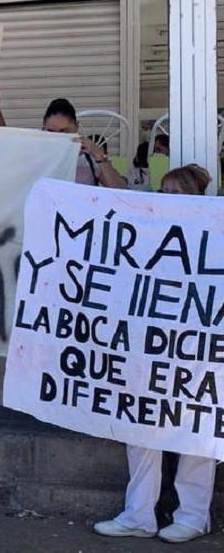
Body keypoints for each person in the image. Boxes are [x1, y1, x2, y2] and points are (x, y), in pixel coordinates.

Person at [94, 164, 215, 544]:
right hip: (151, 349)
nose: (165, 201)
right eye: (162, 193)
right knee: (140, 429)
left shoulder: (216, 235)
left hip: (198, 354)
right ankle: (139, 515)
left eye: (175, 194)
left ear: (198, 200)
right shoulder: (147, 232)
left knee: (196, 433)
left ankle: (194, 516)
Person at [0, 87, 127, 189]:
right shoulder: (36, 151)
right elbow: (5, 144)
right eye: (52, 131)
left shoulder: (89, 157)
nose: (59, 137)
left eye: (65, 131)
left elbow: (121, 192)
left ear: (76, 127)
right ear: (43, 129)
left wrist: (100, 155)